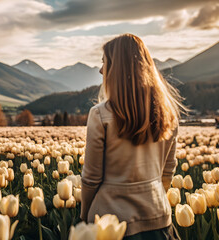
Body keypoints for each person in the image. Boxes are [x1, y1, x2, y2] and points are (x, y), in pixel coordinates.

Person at [80, 34, 186, 239]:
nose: (101, 70)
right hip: (159, 220)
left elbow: (91, 179)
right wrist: (153, 198)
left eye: (104, 62)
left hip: (111, 223)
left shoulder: (101, 114)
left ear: (117, 69)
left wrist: (85, 216)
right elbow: (168, 171)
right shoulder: (167, 113)